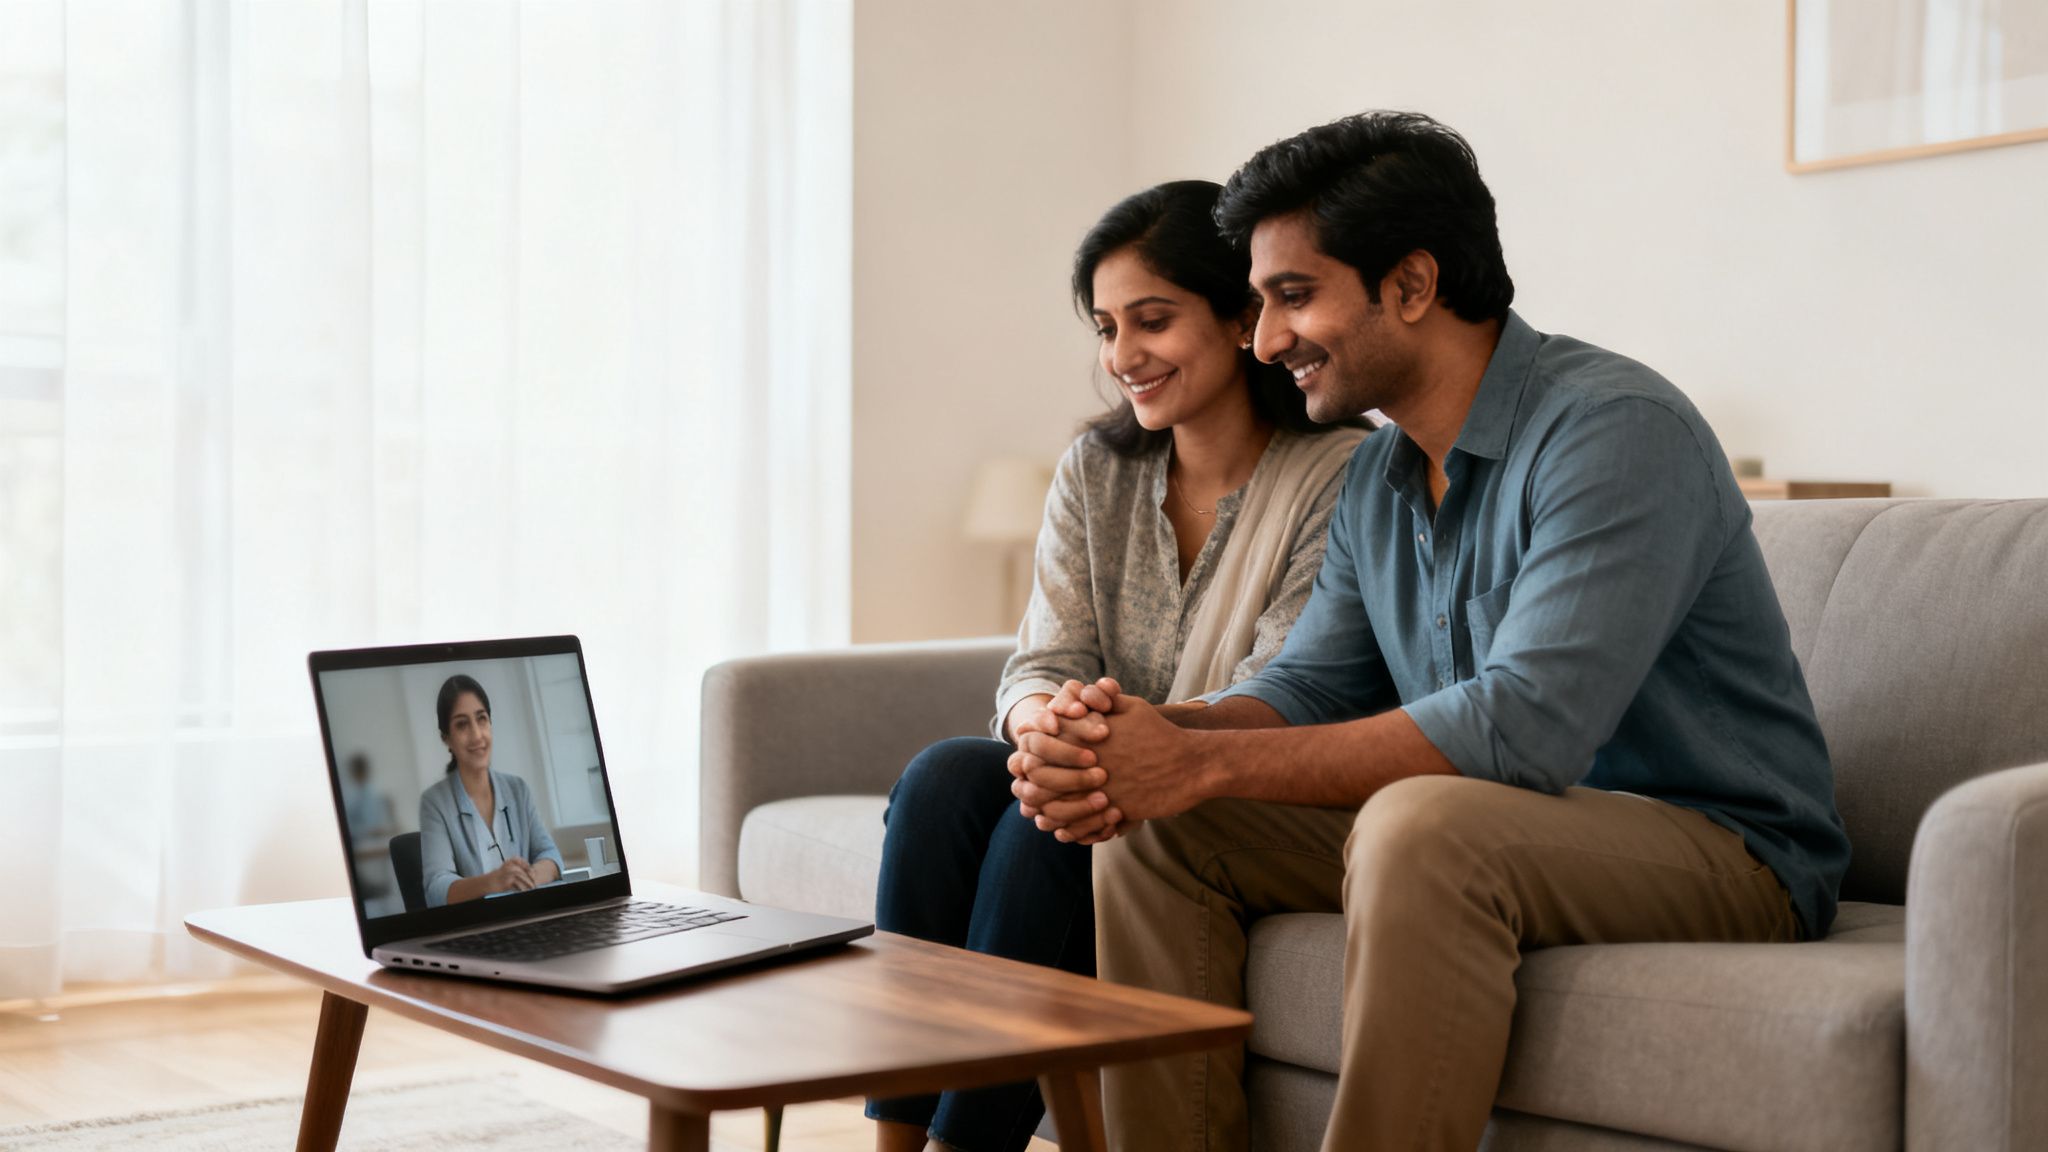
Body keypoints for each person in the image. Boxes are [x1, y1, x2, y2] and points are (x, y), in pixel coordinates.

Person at [1010, 112, 1851, 1152]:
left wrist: (1197, 762)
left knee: (1419, 823)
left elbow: (1521, 729)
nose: (1266, 340)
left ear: (1409, 285)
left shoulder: (1613, 430)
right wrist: (1137, 740)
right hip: (1507, 822)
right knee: (1158, 828)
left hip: (1721, 847)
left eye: (1292, 296)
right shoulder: (1377, 474)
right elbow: (1306, 690)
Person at [868, 180, 1370, 1152]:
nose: (1120, 356)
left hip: (1247, 789)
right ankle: (896, 1141)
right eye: (1104, 327)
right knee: (942, 781)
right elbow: (1040, 659)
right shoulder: (1096, 473)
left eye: (1151, 320)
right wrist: (1041, 727)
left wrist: (1089, 749)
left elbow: (1291, 683)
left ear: (1239, 317)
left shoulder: (1338, 473)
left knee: (1056, 817)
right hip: (1106, 773)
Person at [418, 673, 566, 907]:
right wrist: (494, 881)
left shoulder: (518, 789)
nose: (477, 735)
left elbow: (551, 856)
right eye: (462, 724)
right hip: (476, 931)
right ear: (447, 738)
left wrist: (528, 878)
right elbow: (436, 890)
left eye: (481, 719)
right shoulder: (435, 802)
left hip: (529, 918)